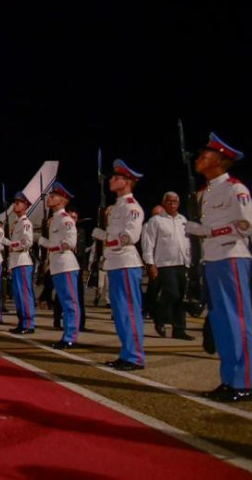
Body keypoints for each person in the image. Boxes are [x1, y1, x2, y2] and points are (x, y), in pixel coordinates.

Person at [185, 133, 252, 403]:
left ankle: (243, 383)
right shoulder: (209, 191)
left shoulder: (236, 189)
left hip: (232, 257)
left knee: (238, 320)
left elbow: (249, 224)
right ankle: (229, 380)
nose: (200, 158)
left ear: (220, 161)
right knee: (222, 322)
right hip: (213, 259)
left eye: (206, 155)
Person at [92, 159, 146, 371]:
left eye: (116, 177)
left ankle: (135, 356)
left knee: (129, 311)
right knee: (120, 311)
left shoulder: (132, 207)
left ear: (128, 182)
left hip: (125, 261)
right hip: (115, 263)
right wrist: (105, 236)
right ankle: (127, 352)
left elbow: (130, 236)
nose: (111, 180)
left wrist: (106, 239)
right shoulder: (117, 208)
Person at [141, 192, 193, 340]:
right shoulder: (156, 220)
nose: (172, 204)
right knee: (172, 293)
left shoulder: (183, 220)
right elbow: (148, 243)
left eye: (175, 201)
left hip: (182, 263)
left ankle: (179, 329)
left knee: (181, 297)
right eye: (169, 201)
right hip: (164, 264)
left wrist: (191, 261)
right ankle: (160, 318)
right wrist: (150, 263)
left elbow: (187, 241)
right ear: (164, 203)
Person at [38, 182, 81, 349]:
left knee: (70, 302)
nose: (50, 198)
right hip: (56, 265)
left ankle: (71, 336)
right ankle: (67, 335)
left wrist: (47, 244)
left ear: (63, 201)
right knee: (63, 302)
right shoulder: (54, 220)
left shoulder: (66, 220)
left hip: (66, 265)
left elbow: (70, 243)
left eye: (53, 196)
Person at [4, 191, 35, 334]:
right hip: (16, 261)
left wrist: (11, 244)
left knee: (24, 293)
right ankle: (22, 322)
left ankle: (28, 324)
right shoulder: (16, 223)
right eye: (14, 203)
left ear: (25, 206)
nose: (14, 205)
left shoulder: (25, 223)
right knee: (17, 295)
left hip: (23, 260)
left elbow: (27, 242)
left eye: (18, 203)